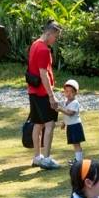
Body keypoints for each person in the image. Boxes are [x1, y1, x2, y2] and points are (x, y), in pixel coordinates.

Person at [26, 22, 62, 169]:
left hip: (33, 91)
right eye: (56, 36)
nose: (56, 39)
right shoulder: (43, 49)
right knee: (49, 124)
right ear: (49, 33)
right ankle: (46, 158)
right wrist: (51, 96)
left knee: (38, 123)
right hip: (42, 93)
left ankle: (37, 156)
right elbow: (43, 74)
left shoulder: (35, 44)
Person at [57, 80, 86, 165]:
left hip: (75, 126)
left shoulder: (75, 103)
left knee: (77, 144)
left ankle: (79, 161)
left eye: (71, 92)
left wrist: (61, 109)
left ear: (76, 93)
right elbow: (66, 116)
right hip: (70, 126)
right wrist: (63, 123)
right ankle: (77, 159)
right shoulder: (65, 103)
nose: (68, 94)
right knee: (74, 144)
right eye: (66, 91)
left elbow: (70, 113)